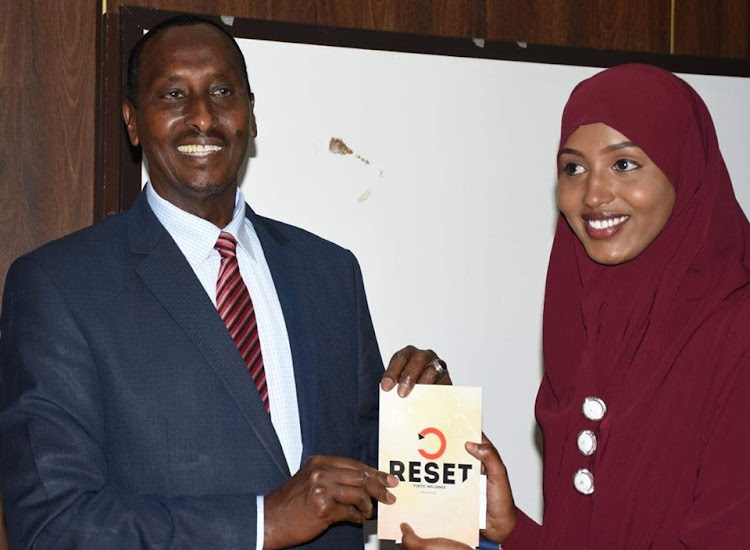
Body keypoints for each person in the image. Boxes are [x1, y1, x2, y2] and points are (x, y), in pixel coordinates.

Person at [0, 15, 449, 550]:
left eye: (222, 91)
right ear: (133, 123)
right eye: (172, 95)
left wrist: (424, 420)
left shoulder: (330, 273)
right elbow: (52, 525)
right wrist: (263, 522)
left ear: (251, 116)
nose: (202, 118)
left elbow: (374, 474)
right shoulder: (59, 287)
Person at [400, 64, 750, 549]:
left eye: (624, 164)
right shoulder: (586, 327)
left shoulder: (737, 337)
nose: (593, 195)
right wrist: (511, 531)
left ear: (685, 170)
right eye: (574, 168)